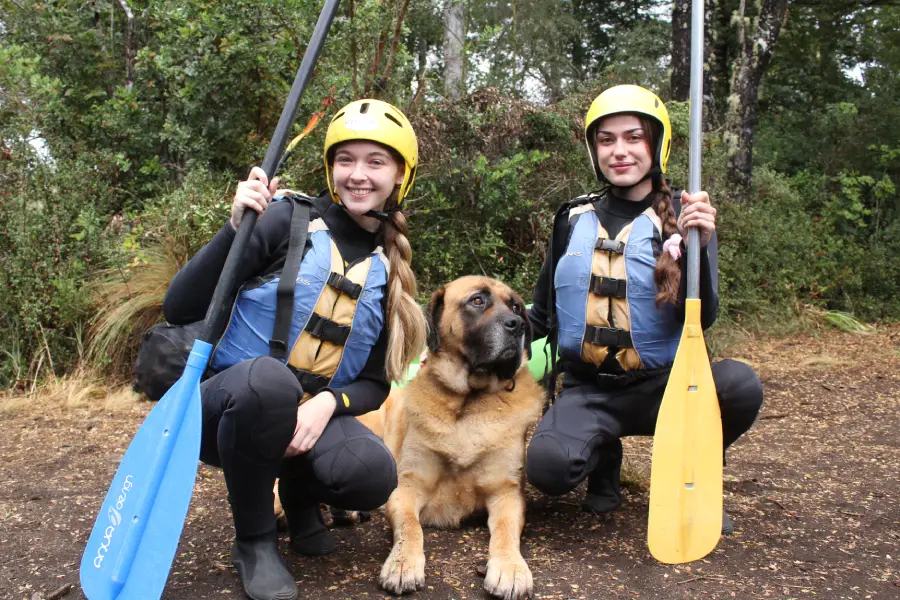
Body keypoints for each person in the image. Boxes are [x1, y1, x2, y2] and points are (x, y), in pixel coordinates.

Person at [162, 99, 427, 600]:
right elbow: (179, 305)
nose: (358, 175)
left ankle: (303, 501)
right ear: (331, 169)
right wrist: (235, 229)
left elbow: (374, 382)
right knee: (269, 383)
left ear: (400, 175)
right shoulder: (287, 219)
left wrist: (329, 403)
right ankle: (255, 542)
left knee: (371, 475)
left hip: (302, 417)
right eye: (345, 159)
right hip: (225, 411)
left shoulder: (389, 270)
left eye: (376, 162)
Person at [524, 85, 764, 534]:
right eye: (607, 139)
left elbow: (703, 317)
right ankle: (604, 457)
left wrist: (699, 249)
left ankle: (694, 477)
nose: (620, 151)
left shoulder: (687, 217)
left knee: (740, 386)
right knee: (547, 470)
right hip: (590, 389)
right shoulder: (572, 219)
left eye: (634, 137)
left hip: (666, 388)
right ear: (594, 149)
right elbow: (542, 315)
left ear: (657, 145)